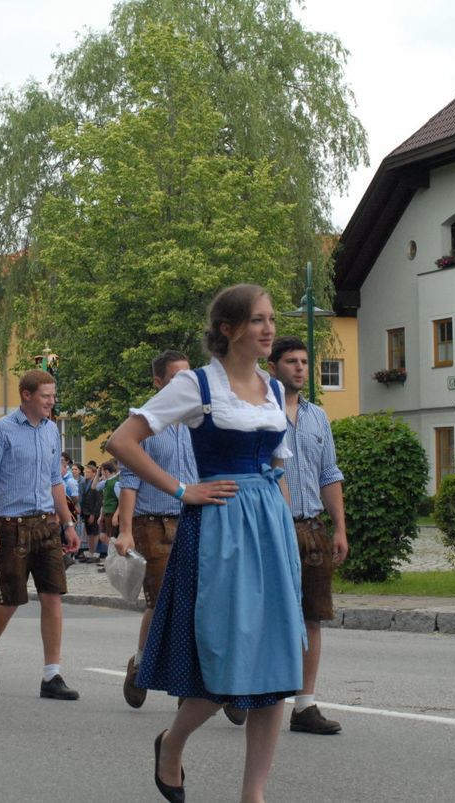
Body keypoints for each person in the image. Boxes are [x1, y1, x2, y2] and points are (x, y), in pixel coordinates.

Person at [107, 284, 303, 803]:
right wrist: (181, 489)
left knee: (277, 664)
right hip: (221, 528)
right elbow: (122, 441)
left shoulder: (273, 388)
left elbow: (278, 468)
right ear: (227, 329)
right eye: (258, 320)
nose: (269, 328)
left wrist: (287, 536)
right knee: (225, 658)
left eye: (271, 319)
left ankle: (253, 795)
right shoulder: (196, 385)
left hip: (269, 528)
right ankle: (172, 742)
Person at [0, 369, 80, 700]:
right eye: (46, 396)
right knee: (11, 599)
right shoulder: (1, 430)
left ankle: (52, 675)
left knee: (52, 596)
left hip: (46, 524)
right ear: (27, 395)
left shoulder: (51, 431)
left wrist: (68, 524)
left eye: (53, 395)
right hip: (11, 526)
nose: (51, 401)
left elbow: (55, 481)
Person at [267, 336, 348, 736]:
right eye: (291, 361)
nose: (300, 368)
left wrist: (340, 528)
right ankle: (246, 692)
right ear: (272, 367)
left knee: (312, 615)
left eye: (303, 361)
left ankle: (304, 705)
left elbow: (329, 474)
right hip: (271, 528)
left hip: (312, 527)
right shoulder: (260, 414)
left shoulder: (318, 417)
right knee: (267, 616)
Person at [112, 351, 197, 711]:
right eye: (177, 377)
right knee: (164, 601)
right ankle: (153, 667)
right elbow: (129, 481)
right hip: (153, 524)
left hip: (195, 519)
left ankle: (156, 666)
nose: (186, 384)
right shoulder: (143, 424)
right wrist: (125, 531)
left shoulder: (199, 422)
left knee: (197, 601)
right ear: (158, 382)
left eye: (189, 376)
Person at [80, 462, 103, 562]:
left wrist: (93, 514)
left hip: (93, 512)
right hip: (85, 511)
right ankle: (90, 553)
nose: (86, 473)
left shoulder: (96, 483)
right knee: (89, 533)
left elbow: (98, 501)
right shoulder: (84, 482)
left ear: (94, 473)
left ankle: (94, 554)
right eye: (85, 472)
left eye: (88, 472)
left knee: (94, 533)